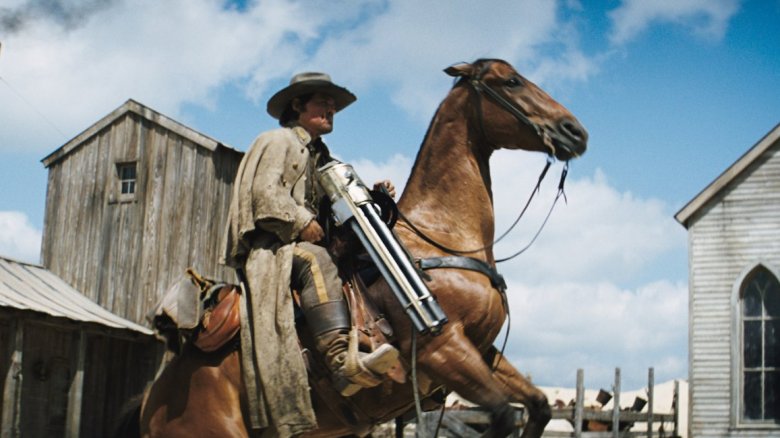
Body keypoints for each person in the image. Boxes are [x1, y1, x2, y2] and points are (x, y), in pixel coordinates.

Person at [223, 72, 399, 436]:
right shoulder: (276, 141)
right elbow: (263, 195)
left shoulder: (321, 156)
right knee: (316, 260)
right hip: (273, 248)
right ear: (298, 106)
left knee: (374, 259)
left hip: (303, 243)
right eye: (323, 102)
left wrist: (373, 192)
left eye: (333, 105)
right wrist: (301, 221)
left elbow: (337, 205)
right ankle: (340, 360)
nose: (331, 109)